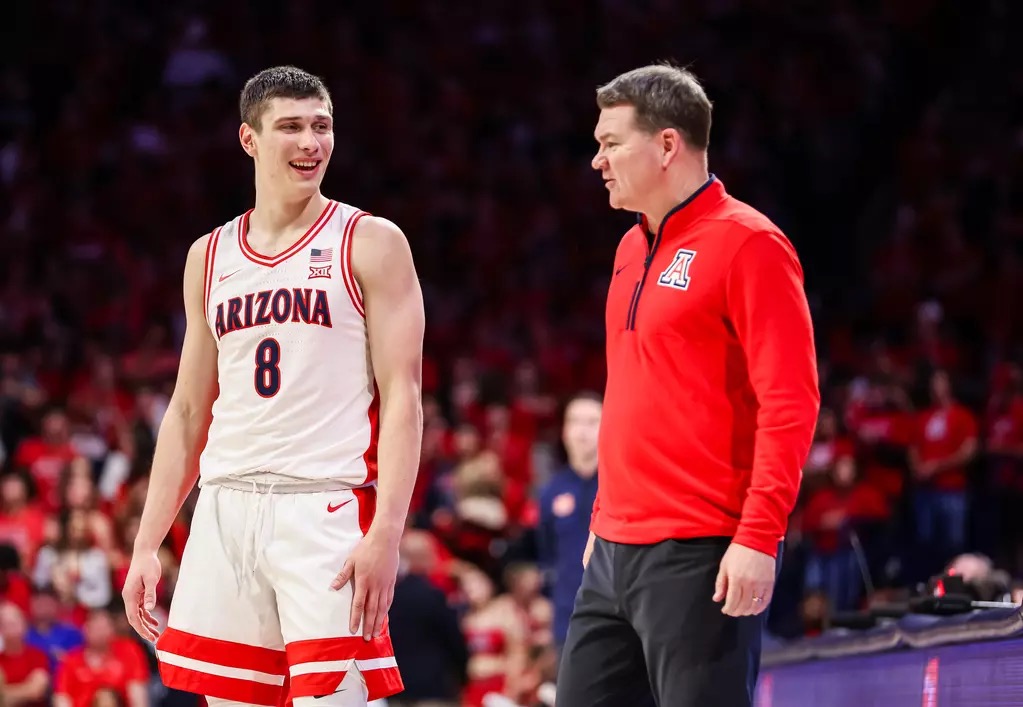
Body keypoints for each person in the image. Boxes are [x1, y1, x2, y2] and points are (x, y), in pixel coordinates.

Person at [120, 65, 425, 706]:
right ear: (249, 139)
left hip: (323, 509)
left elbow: (404, 398)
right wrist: (148, 543)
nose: (311, 142)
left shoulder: (371, 242)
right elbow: (185, 410)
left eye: (322, 126)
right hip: (226, 508)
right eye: (290, 127)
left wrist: (388, 533)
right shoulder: (209, 255)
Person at [556, 64, 820, 707]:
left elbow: (790, 400)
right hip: (613, 548)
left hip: (701, 553)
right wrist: (601, 513)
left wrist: (758, 537)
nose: (598, 161)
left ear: (667, 145)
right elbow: (632, 393)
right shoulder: (628, 249)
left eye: (611, 143)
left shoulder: (750, 244)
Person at [535, 392, 600, 651]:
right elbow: (546, 552)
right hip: (567, 616)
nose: (581, 431)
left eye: (592, 422)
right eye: (574, 421)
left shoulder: (620, 485)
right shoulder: (552, 490)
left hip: (620, 614)